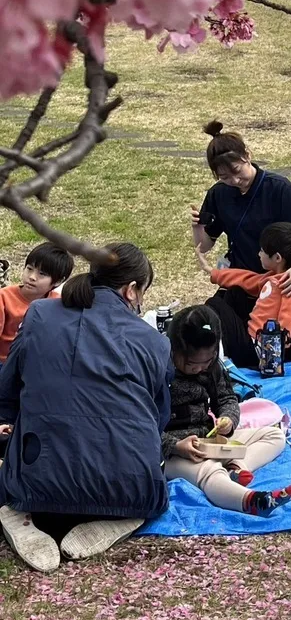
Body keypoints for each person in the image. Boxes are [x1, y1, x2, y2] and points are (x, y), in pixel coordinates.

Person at [0, 243, 171, 573]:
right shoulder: (154, 341)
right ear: (132, 289)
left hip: (37, 485)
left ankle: (19, 515)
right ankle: (122, 517)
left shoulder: (39, 315)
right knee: (149, 483)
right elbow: (159, 419)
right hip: (130, 488)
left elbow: (8, 389)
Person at [190, 121, 291, 362]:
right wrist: (197, 227)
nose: (234, 180)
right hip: (243, 281)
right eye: (224, 177)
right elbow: (206, 244)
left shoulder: (278, 188)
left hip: (279, 282)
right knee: (214, 316)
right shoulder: (219, 194)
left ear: (247, 156)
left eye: (237, 171)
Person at [163, 305, 291, 516]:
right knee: (209, 472)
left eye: (207, 362)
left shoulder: (213, 367)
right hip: (172, 454)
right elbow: (143, 427)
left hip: (209, 442)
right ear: (174, 350)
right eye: (192, 364)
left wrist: (228, 419)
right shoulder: (160, 373)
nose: (200, 368)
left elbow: (227, 397)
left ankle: (237, 469)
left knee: (274, 435)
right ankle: (252, 502)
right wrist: (176, 446)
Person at [195, 222, 291, 368]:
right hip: (251, 337)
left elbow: (289, 323)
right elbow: (245, 279)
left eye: (262, 251)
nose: (258, 254)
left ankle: (212, 350)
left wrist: (272, 356)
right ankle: (221, 344)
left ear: (277, 258)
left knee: (215, 304)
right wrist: (212, 271)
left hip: (260, 352)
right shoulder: (272, 278)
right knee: (234, 292)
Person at [0, 243, 73, 366]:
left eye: (42, 274)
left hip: (37, 362)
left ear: (59, 281)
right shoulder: (4, 297)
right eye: (29, 269)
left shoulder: (58, 303)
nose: (32, 277)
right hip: (6, 362)